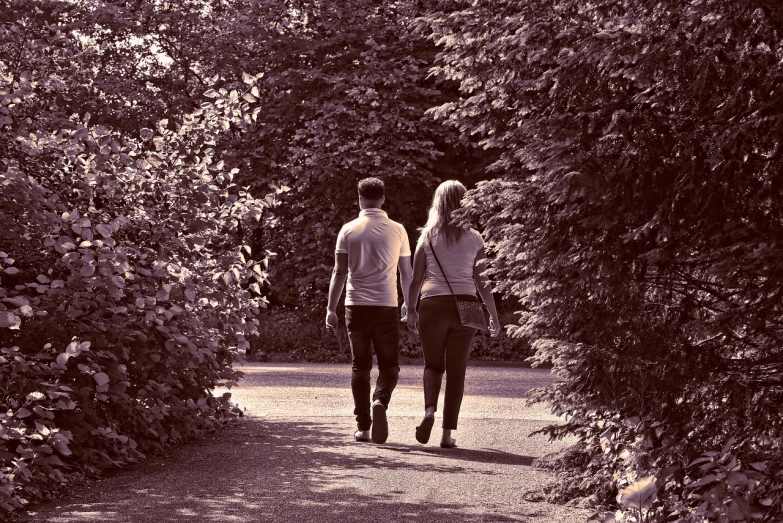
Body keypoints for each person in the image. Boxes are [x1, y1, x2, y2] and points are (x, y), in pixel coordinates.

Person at [406, 180, 500, 448]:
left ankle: (428, 411)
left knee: (433, 365)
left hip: (432, 305)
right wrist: (493, 315)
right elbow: (483, 281)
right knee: (456, 372)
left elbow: (415, 279)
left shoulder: (427, 236)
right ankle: (447, 435)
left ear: (438, 202)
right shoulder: (475, 237)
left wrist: (411, 309)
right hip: (466, 307)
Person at [326, 177, 412, 444]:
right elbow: (406, 273)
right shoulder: (397, 230)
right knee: (390, 365)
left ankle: (363, 428)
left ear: (360, 198)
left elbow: (340, 272)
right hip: (387, 306)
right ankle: (381, 400)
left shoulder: (348, 230)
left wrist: (331, 308)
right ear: (383, 198)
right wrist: (409, 303)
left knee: (360, 367)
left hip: (356, 306)